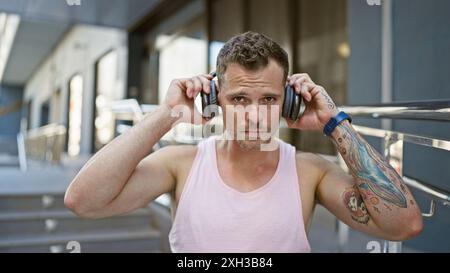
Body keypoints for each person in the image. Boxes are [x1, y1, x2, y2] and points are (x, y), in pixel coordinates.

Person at [64, 31, 423, 253]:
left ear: (288, 101)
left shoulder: (310, 170)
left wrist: (335, 123)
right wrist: (167, 113)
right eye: (239, 99)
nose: (254, 115)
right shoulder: (181, 164)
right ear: (214, 99)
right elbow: (83, 200)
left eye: (268, 99)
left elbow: (404, 225)